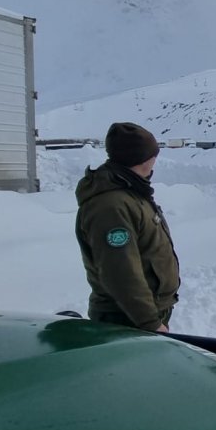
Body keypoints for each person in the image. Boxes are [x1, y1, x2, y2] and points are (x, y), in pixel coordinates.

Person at [75, 122, 180, 332]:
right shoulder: (111, 206)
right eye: (153, 154)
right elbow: (121, 271)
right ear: (141, 158)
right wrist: (149, 322)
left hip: (140, 314)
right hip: (125, 319)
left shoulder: (131, 191)